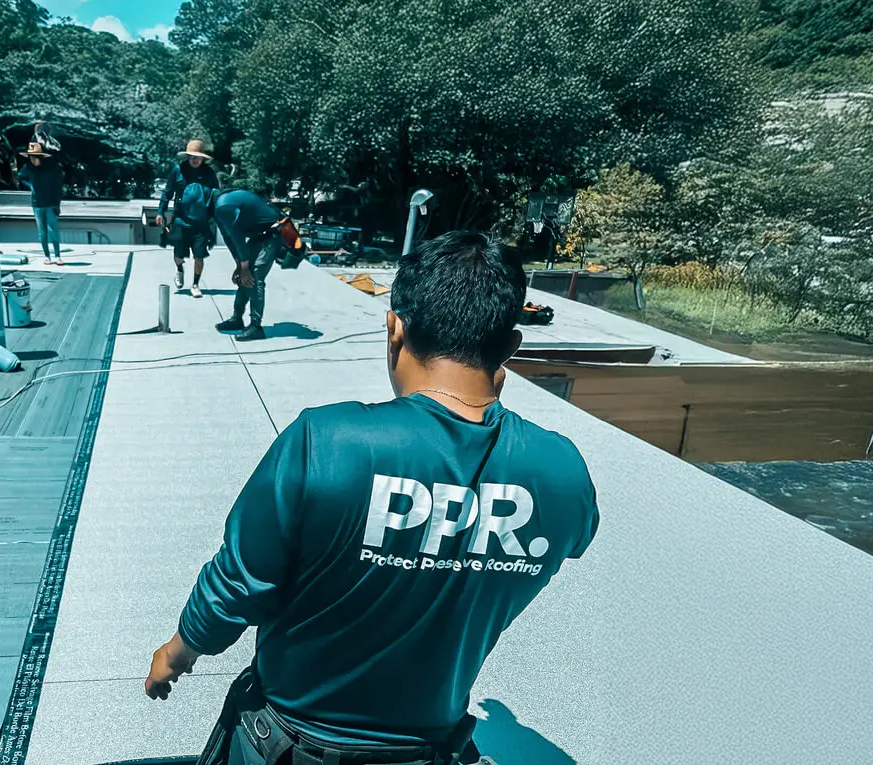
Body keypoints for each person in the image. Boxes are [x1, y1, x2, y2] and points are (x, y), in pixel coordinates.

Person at [143, 231, 601, 765]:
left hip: (288, 741)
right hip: (429, 747)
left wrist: (177, 654)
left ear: (395, 328)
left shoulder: (327, 442)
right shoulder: (562, 472)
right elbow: (572, 537)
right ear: (510, 349)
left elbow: (240, 582)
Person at [208, 189, 301, 342]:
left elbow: (237, 237)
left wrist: (244, 267)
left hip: (272, 235)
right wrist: (239, 265)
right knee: (244, 278)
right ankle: (237, 319)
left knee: (255, 276)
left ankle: (256, 327)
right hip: (259, 236)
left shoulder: (223, 206)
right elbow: (229, 238)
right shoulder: (219, 207)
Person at [157, 140, 221, 297]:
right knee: (178, 254)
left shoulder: (209, 173)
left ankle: (195, 284)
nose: (195, 159)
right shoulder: (177, 171)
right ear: (187, 156)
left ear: (202, 159)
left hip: (201, 222)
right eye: (192, 156)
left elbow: (217, 195)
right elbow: (167, 192)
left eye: (198, 157)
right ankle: (179, 270)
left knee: (199, 255)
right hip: (180, 219)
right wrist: (160, 212)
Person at [17, 142, 64, 265]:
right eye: (31, 156)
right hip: (37, 204)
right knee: (42, 231)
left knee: (52, 229)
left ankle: (58, 256)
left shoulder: (50, 168)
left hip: (50, 203)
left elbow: (58, 186)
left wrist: (57, 204)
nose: (33, 159)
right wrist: (30, 185)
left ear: (41, 156)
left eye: (35, 156)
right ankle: (47, 256)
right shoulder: (27, 167)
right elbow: (20, 177)